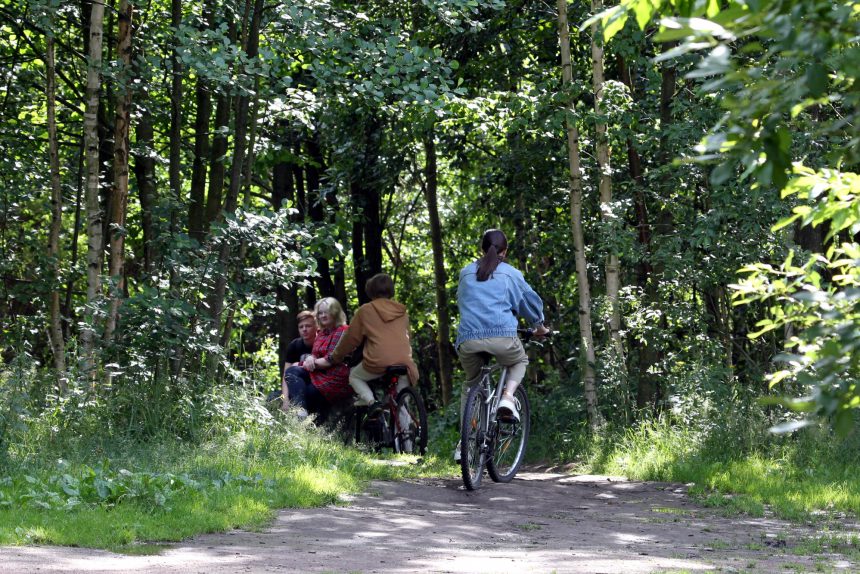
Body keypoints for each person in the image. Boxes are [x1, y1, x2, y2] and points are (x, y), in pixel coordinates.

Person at [455, 229, 548, 459]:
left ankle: (464, 443)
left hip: (469, 340)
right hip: (503, 339)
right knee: (520, 360)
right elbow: (530, 304)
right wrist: (539, 328)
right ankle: (507, 398)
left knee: (471, 385)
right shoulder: (511, 274)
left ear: (482, 249)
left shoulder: (466, 273)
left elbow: (463, 303)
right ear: (504, 252)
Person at [329, 273, 419, 415]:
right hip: (405, 362)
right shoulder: (402, 312)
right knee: (401, 403)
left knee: (354, 376)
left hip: (378, 361)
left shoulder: (365, 311)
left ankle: (371, 402)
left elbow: (351, 338)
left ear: (370, 291)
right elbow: (408, 336)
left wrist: (336, 356)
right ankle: (407, 434)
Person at [283, 298, 352, 420]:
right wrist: (311, 358)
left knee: (306, 393)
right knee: (291, 372)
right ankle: (301, 412)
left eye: (327, 312)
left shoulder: (342, 331)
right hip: (319, 374)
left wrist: (304, 362)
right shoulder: (322, 333)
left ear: (335, 312)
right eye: (320, 313)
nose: (323, 315)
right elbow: (315, 354)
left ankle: (308, 424)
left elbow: (329, 361)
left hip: (334, 378)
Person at [277, 310, 317, 413]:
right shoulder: (294, 345)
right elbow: (286, 375)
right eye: (301, 327)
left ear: (316, 326)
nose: (304, 329)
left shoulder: (322, 343)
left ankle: (302, 414)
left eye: (308, 326)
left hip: (317, 386)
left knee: (309, 393)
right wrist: (285, 400)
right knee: (274, 397)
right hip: (296, 387)